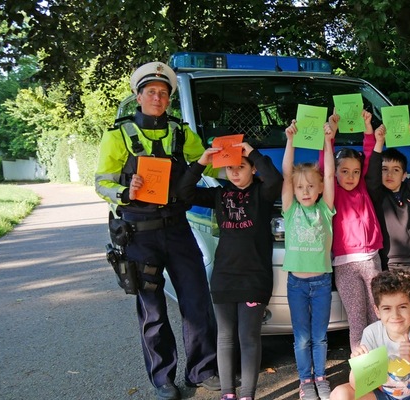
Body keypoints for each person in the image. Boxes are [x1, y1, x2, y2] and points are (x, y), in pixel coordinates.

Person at [94, 61, 218, 400]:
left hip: (178, 229)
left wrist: (242, 164)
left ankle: (202, 370)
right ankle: (163, 379)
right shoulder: (117, 135)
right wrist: (125, 190)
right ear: (138, 97)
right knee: (153, 310)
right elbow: (101, 183)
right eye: (151, 92)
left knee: (196, 300)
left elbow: (208, 163)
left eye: (163, 93)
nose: (158, 98)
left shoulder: (181, 132)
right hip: (139, 235)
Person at [176, 141, 283, 400]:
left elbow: (275, 180)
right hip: (224, 278)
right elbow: (184, 192)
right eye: (231, 167)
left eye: (241, 166)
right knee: (225, 338)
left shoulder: (263, 193)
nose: (235, 172)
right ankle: (228, 393)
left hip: (254, 278)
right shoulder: (220, 194)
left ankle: (247, 394)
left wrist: (252, 153)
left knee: (248, 337)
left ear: (253, 169)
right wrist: (201, 162)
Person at [329, 269, 410, 400]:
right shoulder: (372, 333)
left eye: (402, 307)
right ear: (377, 311)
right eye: (387, 308)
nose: (395, 315)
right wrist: (358, 366)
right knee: (339, 394)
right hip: (382, 395)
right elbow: (357, 386)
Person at [282, 116, 337, 400]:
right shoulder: (291, 210)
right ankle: (305, 381)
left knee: (319, 337)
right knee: (302, 338)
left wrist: (328, 142)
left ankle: (320, 377)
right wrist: (290, 141)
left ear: (319, 189)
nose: (305, 191)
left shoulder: (325, 209)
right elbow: (286, 174)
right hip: (297, 285)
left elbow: (329, 175)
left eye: (310, 186)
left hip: (321, 283)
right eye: (300, 187)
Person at [321, 110, 384, 350]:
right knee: (357, 323)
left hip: (371, 259)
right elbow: (325, 165)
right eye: (344, 171)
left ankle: (383, 366)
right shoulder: (333, 192)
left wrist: (368, 127)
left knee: (378, 317)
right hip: (345, 265)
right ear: (335, 172)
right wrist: (330, 136)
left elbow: (369, 157)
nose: (351, 176)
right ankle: (363, 368)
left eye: (356, 172)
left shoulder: (363, 188)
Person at [365, 122, 410, 326]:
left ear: (404, 175)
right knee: (398, 311)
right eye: (384, 170)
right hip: (393, 264)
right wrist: (379, 143)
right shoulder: (378, 196)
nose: (389, 174)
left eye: (395, 170)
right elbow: (372, 175)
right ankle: (398, 345)